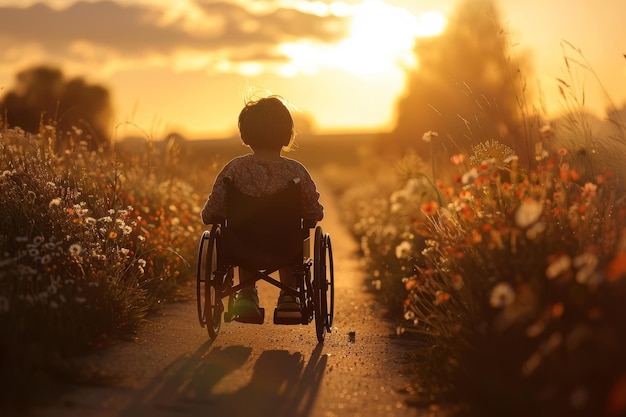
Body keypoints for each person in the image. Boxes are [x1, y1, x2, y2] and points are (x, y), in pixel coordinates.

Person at [201, 95, 324, 321]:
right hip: (286, 246)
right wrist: (311, 217)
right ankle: (289, 297)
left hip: (242, 246)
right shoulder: (296, 171)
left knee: (243, 233)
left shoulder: (234, 169)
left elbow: (213, 211)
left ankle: (246, 296)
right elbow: (313, 212)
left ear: (245, 134)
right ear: (287, 134)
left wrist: (210, 215)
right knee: (290, 236)